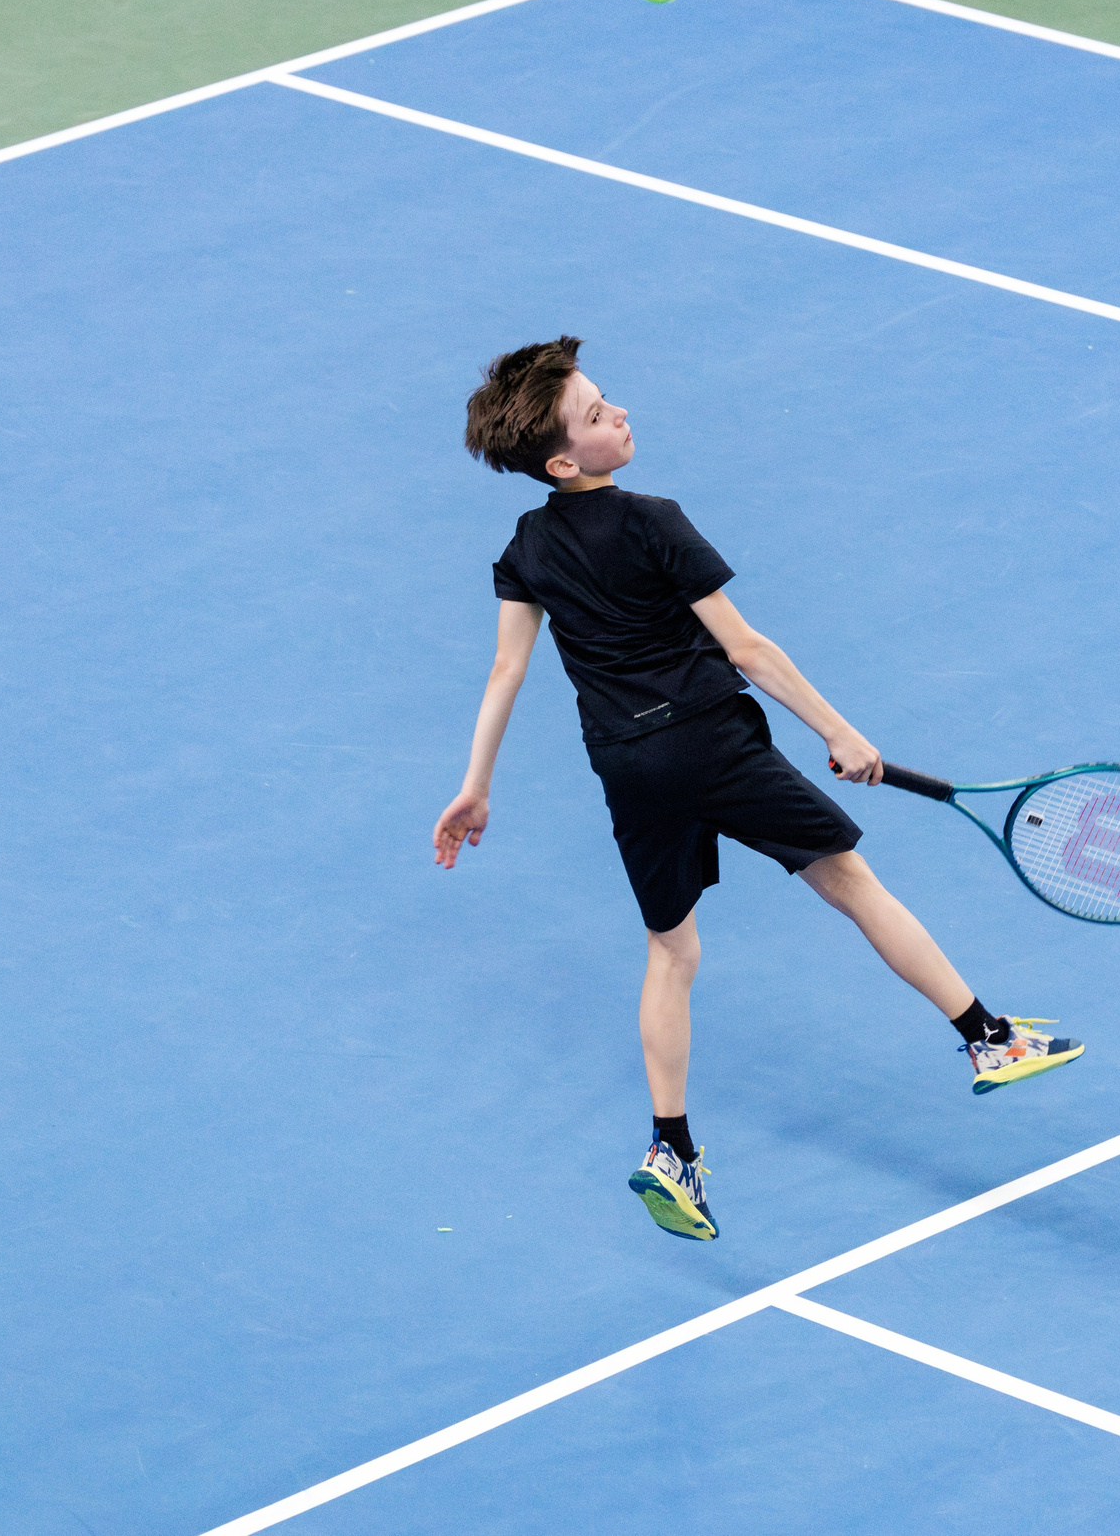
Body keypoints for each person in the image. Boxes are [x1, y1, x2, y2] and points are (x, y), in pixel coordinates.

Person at [433, 337, 1082, 1242]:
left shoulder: (525, 549)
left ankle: (672, 1151)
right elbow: (746, 648)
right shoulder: (654, 520)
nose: (619, 413)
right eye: (597, 414)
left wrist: (475, 788)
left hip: (626, 764)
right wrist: (838, 730)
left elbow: (507, 671)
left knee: (671, 952)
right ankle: (988, 1037)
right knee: (851, 883)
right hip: (712, 743)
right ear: (563, 462)